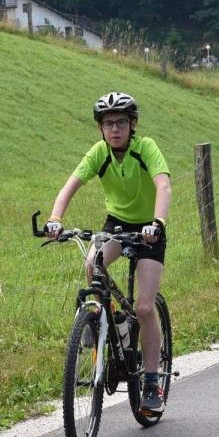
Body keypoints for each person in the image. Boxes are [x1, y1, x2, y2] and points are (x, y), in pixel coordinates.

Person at [45, 92, 172, 414]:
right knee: (93, 265)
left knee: (144, 307)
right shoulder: (99, 153)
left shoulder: (146, 148)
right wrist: (55, 219)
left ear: (133, 125)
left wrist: (157, 222)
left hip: (149, 229)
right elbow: (69, 186)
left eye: (120, 123)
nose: (114, 129)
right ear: (100, 129)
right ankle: (112, 323)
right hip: (116, 224)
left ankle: (152, 382)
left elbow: (163, 186)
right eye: (107, 124)